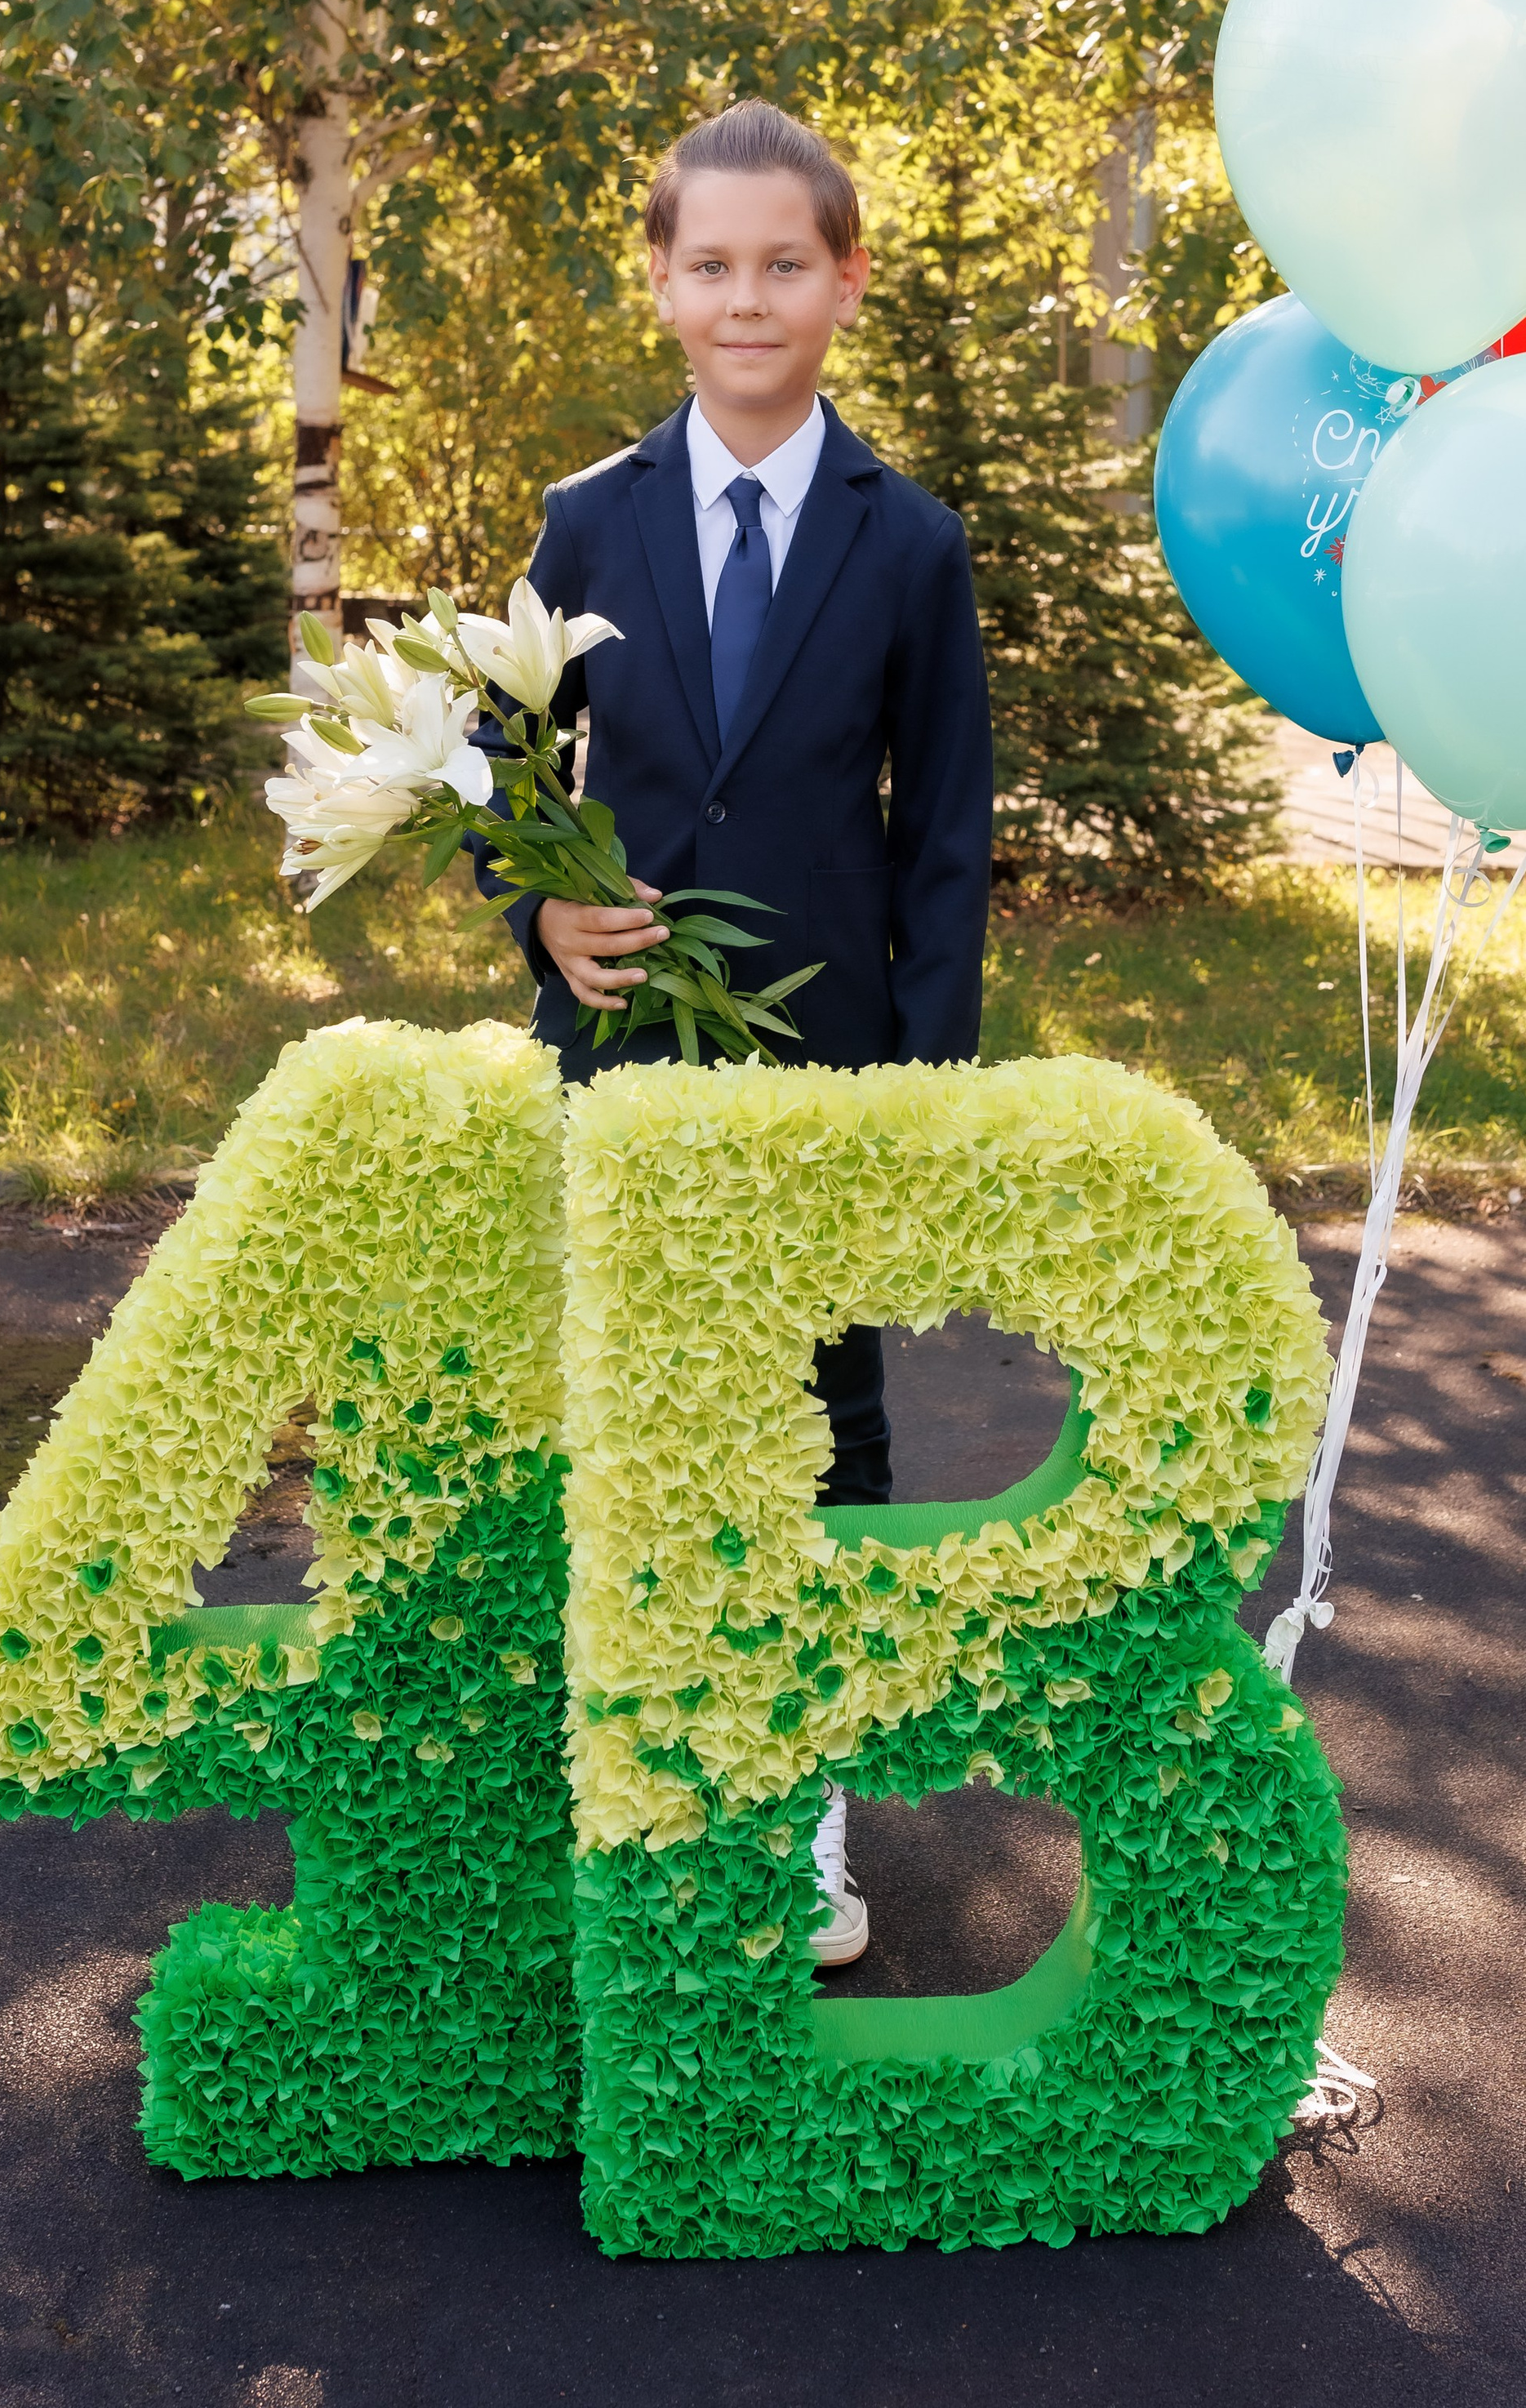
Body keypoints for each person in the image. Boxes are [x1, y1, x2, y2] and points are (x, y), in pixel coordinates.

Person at [472, 96, 995, 1963]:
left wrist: (918, 1104)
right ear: (662, 283)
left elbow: (943, 842)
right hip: (623, 1055)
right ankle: (617, 1777)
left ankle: (806, 1807)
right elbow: (498, 764)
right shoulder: (586, 520)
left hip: (822, 1067)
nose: (746, 297)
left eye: (785, 264)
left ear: (842, 281)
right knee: (616, 1399)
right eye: (712, 265)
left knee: (823, 1417)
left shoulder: (906, 543)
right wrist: (536, 907)